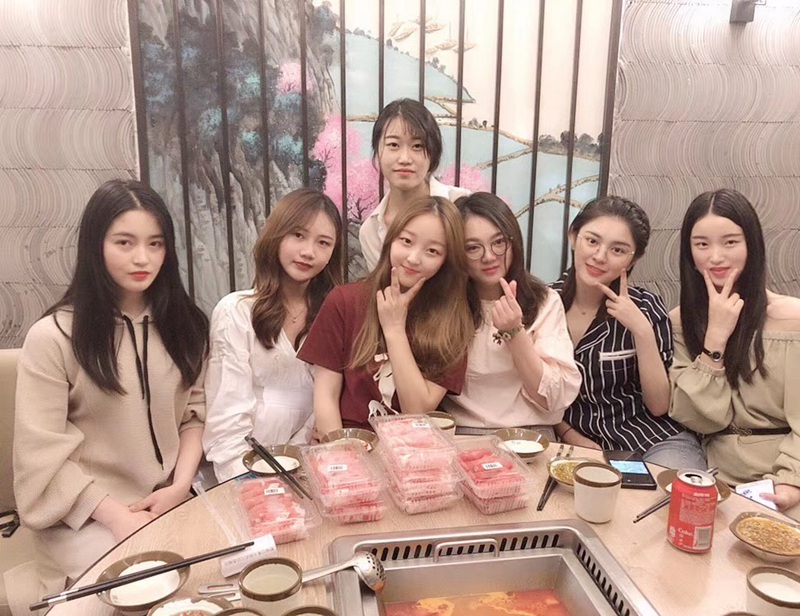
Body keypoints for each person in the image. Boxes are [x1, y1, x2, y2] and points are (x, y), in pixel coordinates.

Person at [12, 179, 209, 595]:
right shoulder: (53, 338)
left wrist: (179, 488)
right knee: (145, 593)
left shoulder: (186, 327)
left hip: (168, 501)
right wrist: (119, 518)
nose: (142, 258)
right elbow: (39, 460)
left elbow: (194, 417)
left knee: (219, 582)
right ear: (95, 245)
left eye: (155, 244)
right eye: (124, 242)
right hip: (85, 517)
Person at [670, 189, 800, 515]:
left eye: (730, 242)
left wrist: (791, 482)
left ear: (751, 245)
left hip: (784, 473)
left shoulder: (792, 319)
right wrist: (715, 339)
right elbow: (700, 418)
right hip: (713, 475)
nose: (716, 257)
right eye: (702, 244)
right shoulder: (680, 323)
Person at [551, 195, 705, 469]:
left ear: (634, 259)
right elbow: (533, 391)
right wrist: (567, 433)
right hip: (578, 440)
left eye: (618, 250)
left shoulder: (646, 306)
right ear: (573, 236)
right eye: (592, 241)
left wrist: (641, 330)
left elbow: (659, 405)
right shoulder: (544, 304)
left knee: (673, 491)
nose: (600, 256)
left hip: (652, 440)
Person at [299, 196, 474, 433]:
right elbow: (325, 397)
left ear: (446, 260)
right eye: (406, 241)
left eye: (432, 251)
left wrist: (394, 330)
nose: (413, 258)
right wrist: (341, 449)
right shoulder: (344, 301)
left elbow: (417, 411)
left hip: (414, 445)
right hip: (351, 441)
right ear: (391, 240)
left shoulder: (452, 320)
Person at [202, 189, 343, 482]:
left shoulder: (333, 315)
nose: (309, 252)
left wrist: (304, 466)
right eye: (298, 235)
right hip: (245, 472)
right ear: (276, 236)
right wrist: (251, 483)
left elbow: (323, 412)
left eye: (323, 243)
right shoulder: (236, 311)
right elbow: (226, 422)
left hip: (310, 472)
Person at [441, 193, 581, 438]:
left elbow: (554, 398)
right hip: (461, 433)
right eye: (473, 248)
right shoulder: (446, 304)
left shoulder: (544, 301)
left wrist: (515, 333)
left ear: (513, 242)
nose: (488, 256)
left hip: (529, 434)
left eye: (499, 242)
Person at [358, 98, 470, 271]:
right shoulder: (371, 231)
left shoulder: (461, 205)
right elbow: (382, 284)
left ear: (433, 153)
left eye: (417, 146)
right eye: (393, 145)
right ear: (378, 150)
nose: (404, 159)